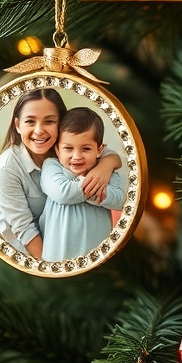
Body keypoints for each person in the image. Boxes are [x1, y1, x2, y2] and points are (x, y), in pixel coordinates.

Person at [0, 88, 121, 258]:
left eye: (49, 121)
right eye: (30, 121)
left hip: (55, 239)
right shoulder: (6, 168)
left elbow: (111, 156)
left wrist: (105, 166)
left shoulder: (69, 147)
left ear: (61, 124)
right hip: (21, 250)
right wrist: (52, 269)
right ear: (18, 125)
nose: (39, 131)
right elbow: (25, 230)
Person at [39, 107, 125, 261]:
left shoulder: (106, 173)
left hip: (97, 257)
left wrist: (97, 178)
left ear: (99, 150)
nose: (77, 156)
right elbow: (62, 193)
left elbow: (120, 201)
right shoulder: (51, 166)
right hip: (56, 258)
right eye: (68, 148)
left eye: (86, 149)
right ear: (57, 149)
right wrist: (95, 188)